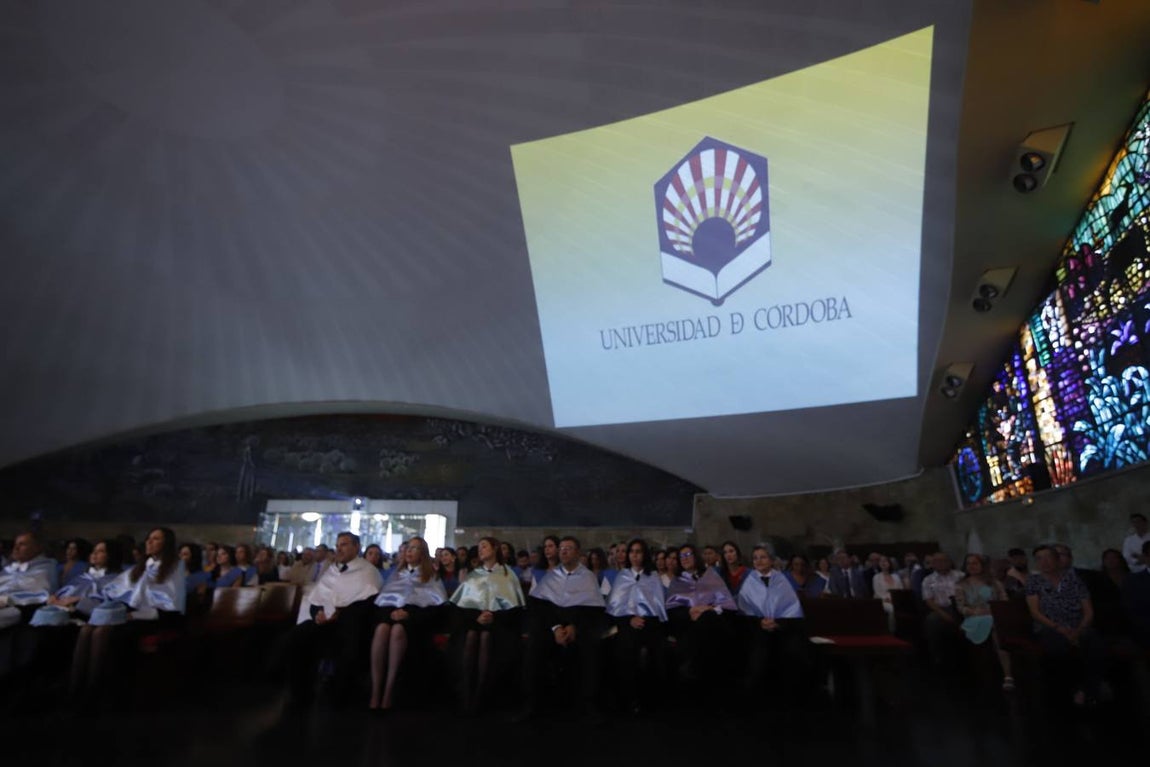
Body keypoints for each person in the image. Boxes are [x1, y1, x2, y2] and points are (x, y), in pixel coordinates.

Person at [71, 527, 186, 698]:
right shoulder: (141, 567)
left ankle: (94, 691)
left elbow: (169, 603)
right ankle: (75, 688)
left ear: (167, 543)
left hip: (158, 617)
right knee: (87, 629)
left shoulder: (174, 566)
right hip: (132, 615)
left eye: (156, 539)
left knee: (103, 631)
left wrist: (132, 615)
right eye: (149, 538)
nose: (149, 541)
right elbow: (116, 590)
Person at [273, 532, 382, 710]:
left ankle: (339, 696)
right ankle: (297, 691)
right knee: (296, 636)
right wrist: (318, 613)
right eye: (338, 545)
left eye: (344, 544)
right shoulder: (333, 571)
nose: (339, 548)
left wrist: (339, 614)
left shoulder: (368, 571)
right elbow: (317, 599)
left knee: (347, 644)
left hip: (350, 626)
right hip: (324, 623)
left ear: (356, 547)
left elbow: (366, 604)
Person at [519, 535, 605, 721]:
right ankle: (532, 704)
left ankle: (588, 703)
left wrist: (574, 626)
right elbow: (540, 606)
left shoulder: (588, 577)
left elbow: (593, 610)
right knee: (534, 647)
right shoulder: (552, 575)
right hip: (553, 627)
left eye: (569, 548)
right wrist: (556, 627)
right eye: (562, 548)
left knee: (591, 648)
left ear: (578, 552)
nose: (564, 551)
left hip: (579, 627)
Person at [369, 536, 447, 712]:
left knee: (397, 630)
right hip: (390, 616)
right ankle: (376, 689)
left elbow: (436, 607)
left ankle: (389, 690)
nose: (409, 551)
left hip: (416, 622)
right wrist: (392, 613)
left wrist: (408, 614)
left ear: (423, 553)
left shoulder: (431, 576)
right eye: (407, 548)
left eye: (414, 548)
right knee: (382, 628)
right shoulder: (396, 574)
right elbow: (383, 601)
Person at [450, 536, 526, 713]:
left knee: (485, 636)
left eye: (484, 546)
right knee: (470, 635)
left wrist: (494, 618)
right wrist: (477, 617)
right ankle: (467, 692)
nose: (480, 550)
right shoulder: (473, 575)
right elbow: (461, 608)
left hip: (501, 625)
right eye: (479, 547)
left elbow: (515, 610)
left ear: (495, 549)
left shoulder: (508, 574)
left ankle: (481, 694)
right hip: (473, 622)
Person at [1025, 544, 1106, 705]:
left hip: (1077, 625)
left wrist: (1079, 629)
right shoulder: (1034, 581)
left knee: (1094, 641)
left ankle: (1092, 686)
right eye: (1039, 559)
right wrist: (1059, 628)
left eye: (1048, 557)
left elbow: (1088, 611)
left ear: (1057, 559)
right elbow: (1035, 612)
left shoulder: (1074, 580)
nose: (1044, 562)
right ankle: (1074, 688)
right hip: (1049, 626)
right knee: (1059, 646)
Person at [604, 538, 667, 714]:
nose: (634, 555)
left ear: (644, 554)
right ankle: (629, 698)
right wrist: (630, 619)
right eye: (632, 551)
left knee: (655, 654)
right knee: (625, 652)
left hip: (651, 624)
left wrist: (645, 619)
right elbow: (614, 607)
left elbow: (658, 606)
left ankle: (650, 699)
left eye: (638, 551)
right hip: (626, 624)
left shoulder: (653, 577)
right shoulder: (622, 577)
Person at [736, 546, 808, 700]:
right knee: (756, 658)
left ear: (771, 560)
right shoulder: (749, 582)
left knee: (793, 654)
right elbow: (743, 612)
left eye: (763, 557)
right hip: (756, 630)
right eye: (755, 558)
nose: (759, 561)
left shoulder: (782, 580)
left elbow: (792, 609)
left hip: (782, 628)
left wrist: (778, 623)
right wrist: (760, 623)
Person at [666, 543, 737, 686]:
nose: (684, 559)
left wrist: (708, 609)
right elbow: (672, 611)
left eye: (688, 555)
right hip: (688, 626)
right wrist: (690, 611)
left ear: (696, 557)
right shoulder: (677, 581)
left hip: (713, 624)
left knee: (709, 620)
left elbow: (726, 604)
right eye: (681, 556)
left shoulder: (711, 576)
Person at [954, 554, 1013, 691]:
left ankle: (1007, 674)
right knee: (991, 623)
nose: (972, 566)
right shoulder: (961, 585)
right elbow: (961, 607)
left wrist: (995, 611)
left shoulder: (994, 583)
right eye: (969, 563)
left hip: (994, 615)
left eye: (975, 563)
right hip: (974, 617)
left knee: (997, 628)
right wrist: (976, 612)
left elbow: (1004, 600)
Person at [0, 532, 59, 627]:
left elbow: (41, 592)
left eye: (22, 544)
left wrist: (5, 600)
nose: (16, 548)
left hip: (21, 607)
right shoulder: (10, 568)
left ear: (37, 548)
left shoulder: (46, 567)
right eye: (15, 544)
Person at [921, 552, 964, 666]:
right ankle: (938, 657)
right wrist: (943, 614)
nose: (940, 563)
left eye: (943, 560)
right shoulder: (928, 580)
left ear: (949, 562)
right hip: (941, 609)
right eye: (936, 561)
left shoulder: (960, 575)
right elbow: (928, 600)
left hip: (961, 607)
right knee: (932, 620)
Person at [871, 555, 904, 631]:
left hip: (896, 600)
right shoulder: (876, 577)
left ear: (889, 563)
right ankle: (892, 633)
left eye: (885, 561)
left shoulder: (896, 576)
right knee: (892, 609)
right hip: (882, 601)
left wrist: (895, 600)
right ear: (879, 564)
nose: (883, 563)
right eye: (881, 561)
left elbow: (900, 590)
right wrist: (889, 600)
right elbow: (877, 593)